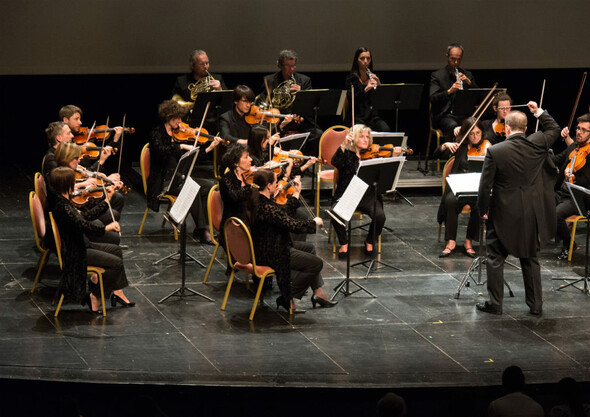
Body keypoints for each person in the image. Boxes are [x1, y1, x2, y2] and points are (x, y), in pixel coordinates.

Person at [476, 101, 560, 315]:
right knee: (530, 258)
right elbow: (554, 129)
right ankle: (536, 305)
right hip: (531, 212)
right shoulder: (538, 143)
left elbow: (485, 186)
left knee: (495, 257)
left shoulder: (495, 151)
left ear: (506, 128)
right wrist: (539, 112)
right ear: (525, 129)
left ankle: (495, 304)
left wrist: (482, 210)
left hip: (504, 212)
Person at [48, 167, 134, 313]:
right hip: (76, 252)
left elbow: (86, 216)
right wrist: (107, 228)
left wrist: (106, 201)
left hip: (82, 244)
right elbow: (85, 226)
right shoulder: (63, 207)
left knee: (116, 250)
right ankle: (95, 294)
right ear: (67, 184)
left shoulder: (63, 201)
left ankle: (111, 291)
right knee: (116, 264)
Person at [250, 169, 336, 312]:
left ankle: (318, 293)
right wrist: (313, 223)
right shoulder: (266, 207)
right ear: (268, 186)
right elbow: (291, 224)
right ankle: (287, 296)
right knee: (316, 264)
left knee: (310, 248)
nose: (278, 185)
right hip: (271, 252)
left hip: (268, 244)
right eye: (276, 182)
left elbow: (282, 215)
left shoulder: (260, 200)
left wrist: (296, 194)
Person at [146, 100, 222, 243]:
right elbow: (160, 151)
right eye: (178, 118)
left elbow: (194, 156)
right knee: (191, 189)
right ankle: (203, 230)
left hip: (179, 177)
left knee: (208, 186)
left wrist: (210, 147)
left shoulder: (178, 134)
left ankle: (200, 227)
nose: (181, 122)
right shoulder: (157, 133)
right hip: (163, 181)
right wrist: (180, 146)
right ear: (169, 116)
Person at [331, 124, 402, 258]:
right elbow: (335, 161)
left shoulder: (374, 156)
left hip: (368, 196)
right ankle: (344, 244)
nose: (366, 140)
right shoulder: (347, 154)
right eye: (362, 137)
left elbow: (386, 174)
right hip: (348, 195)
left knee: (380, 216)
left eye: (368, 137)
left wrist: (394, 157)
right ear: (354, 138)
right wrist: (343, 144)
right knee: (335, 214)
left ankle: (369, 241)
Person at [435, 118, 490, 257]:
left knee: (480, 204)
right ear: (466, 133)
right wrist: (445, 145)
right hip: (458, 188)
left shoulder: (487, 146)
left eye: (478, 133)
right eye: (471, 133)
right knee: (450, 201)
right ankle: (451, 241)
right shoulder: (460, 146)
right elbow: (436, 154)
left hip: (476, 189)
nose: (475, 136)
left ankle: (468, 241)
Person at [260, 50, 322, 155]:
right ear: (279, 65)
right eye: (287, 66)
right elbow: (264, 104)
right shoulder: (269, 80)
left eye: (293, 66)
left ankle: (306, 164)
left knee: (318, 134)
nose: (291, 69)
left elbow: (310, 105)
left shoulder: (304, 80)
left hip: (300, 121)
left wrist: (301, 93)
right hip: (279, 121)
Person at [553, 114, 590, 260]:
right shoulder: (574, 147)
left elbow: (587, 181)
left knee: (555, 215)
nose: (579, 132)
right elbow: (556, 159)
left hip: (579, 197)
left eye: (583, 130)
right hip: (563, 191)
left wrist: (574, 176)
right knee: (538, 203)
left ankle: (568, 243)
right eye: (578, 128)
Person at [171, 50, 227, 130]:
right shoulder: (181, 81)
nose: (205, 66)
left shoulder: (217, 79)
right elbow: (173, 103)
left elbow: (227, 102)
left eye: (207, 63)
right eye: (202, 64)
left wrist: (220, 89)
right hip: (190, 122)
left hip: (213, 122)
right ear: (193, 66)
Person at [430, 43, 478, 137]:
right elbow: (433, 98)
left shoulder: (467, 75)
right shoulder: (437, 76)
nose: (456, 62)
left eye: (458, 59)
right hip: (445, 115)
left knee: (476, 125)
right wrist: (449, 91)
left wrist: (469, 83)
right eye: (453, 59)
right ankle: (451, 151)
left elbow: (478, 96)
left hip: (464, 115)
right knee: (453, 127)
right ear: (447, 57)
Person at [59, 104, 123, 173]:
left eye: (80, 119)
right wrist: (100, 161)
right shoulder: (62, 149)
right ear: (65, 120)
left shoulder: (80, 141)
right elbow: (83, 173)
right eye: (76, 119)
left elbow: (102, 156)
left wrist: (115, 140)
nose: (80, 122)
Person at [345, 47, 391, 132]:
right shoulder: (351, 79)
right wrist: (366, 89)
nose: (365, 61)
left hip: (371, 116)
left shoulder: (373, 77)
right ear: (357, 60)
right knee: (363, 132)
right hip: (357, 116)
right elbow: (351, 99)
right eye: (362, 58)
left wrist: (379, 85)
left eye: (368, 58)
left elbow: (381, 100)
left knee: (385, 129)